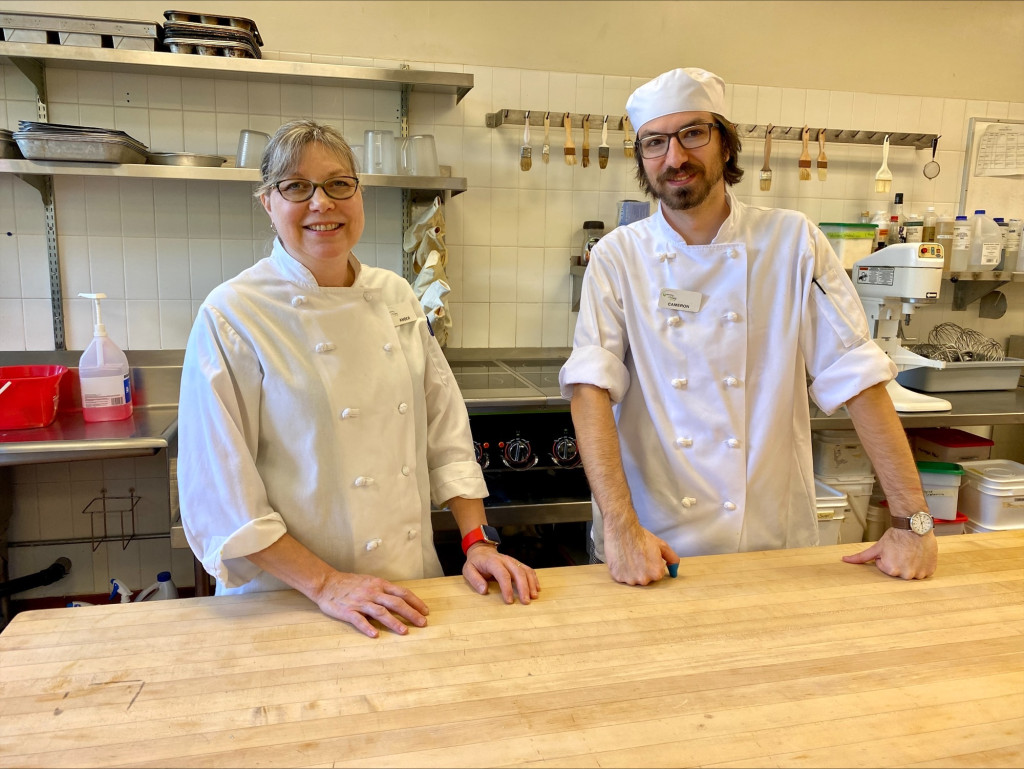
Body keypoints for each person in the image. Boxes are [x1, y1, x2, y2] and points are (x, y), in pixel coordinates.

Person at [559, 68, 937, 586]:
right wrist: (622, 528)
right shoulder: (617, 257)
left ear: (725, 143)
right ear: (643, 158)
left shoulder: (792, 242)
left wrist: (912, 522)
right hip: (650, 539)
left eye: (693, 133)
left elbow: (858, 376)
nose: (675, 157)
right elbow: (590, 390)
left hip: (768, 536)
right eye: (655, 142)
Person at [178, 119, 539, 638]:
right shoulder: (234, 313)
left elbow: (446, 434)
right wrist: (326, 585)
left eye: (338, 184)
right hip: (290, 604)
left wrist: (477, 541)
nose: (322, 203)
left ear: (359, 194)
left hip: (409, 594)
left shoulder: (395, 295)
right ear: (267, 203)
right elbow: (221, 497)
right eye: (297, 187)